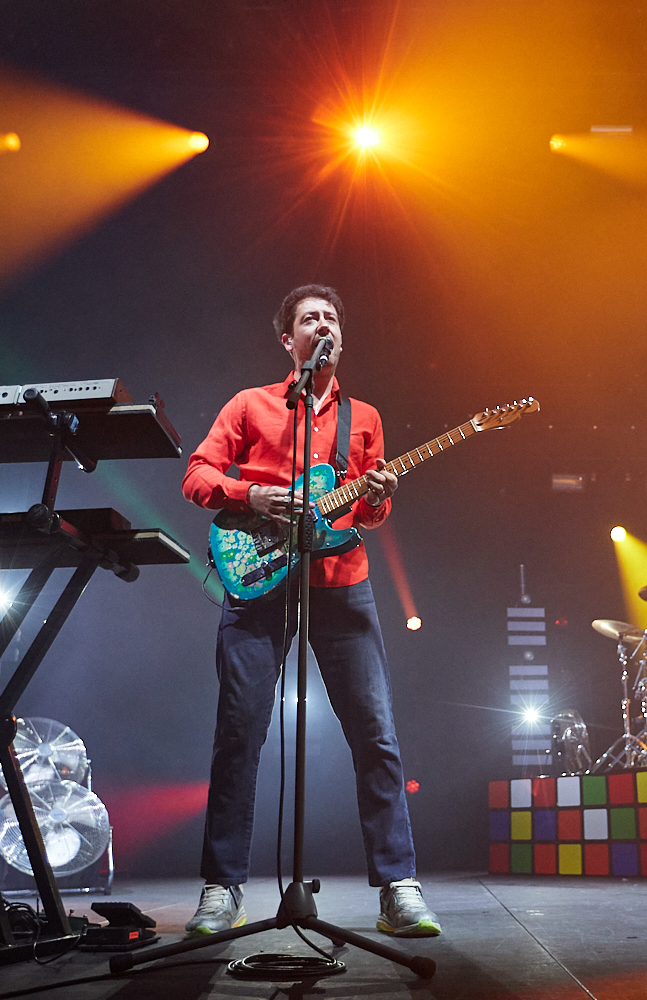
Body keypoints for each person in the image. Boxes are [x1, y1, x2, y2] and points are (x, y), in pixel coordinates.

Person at [180, 284, 440, 938]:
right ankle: (222, 888)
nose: (321, 325)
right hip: (258, 578)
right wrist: (252, 496)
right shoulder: (251, 405)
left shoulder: (366, 418)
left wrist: (380, 496)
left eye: (330, 317)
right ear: (288, 340)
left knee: (375, 735)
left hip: (340, 581)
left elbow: (368, 513)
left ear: (340, 339)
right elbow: (197, 476)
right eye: (308, 318)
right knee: (239, 732)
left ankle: (398, 889)